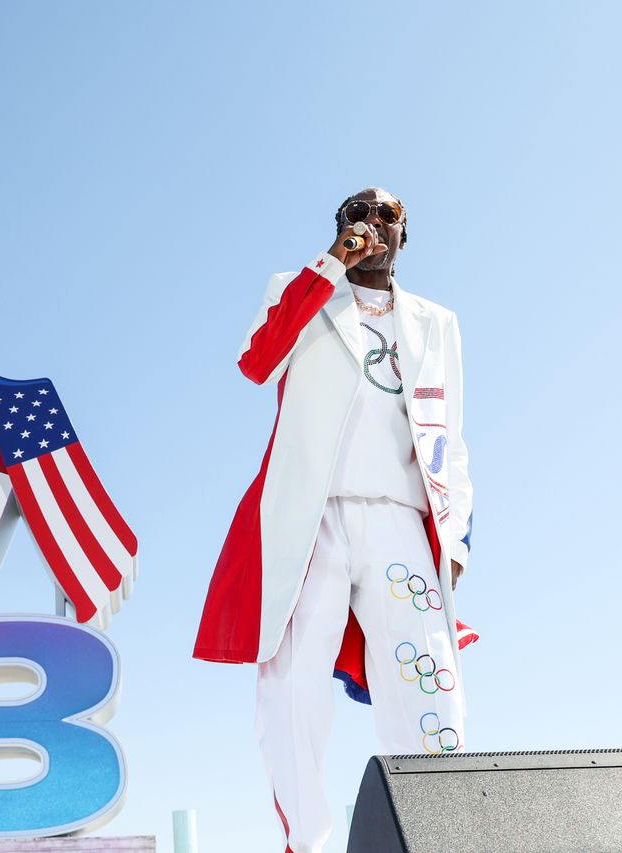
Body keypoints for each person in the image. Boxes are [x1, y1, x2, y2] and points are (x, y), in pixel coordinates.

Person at [192, 188, 474, 853]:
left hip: (401, 517)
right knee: (291, 685)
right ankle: (307, 842)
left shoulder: (436, 322)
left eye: (387, 215)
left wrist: (454, 534)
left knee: (426, 674)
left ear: (405, 233)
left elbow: (451, 437)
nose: (373, 224)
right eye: (358, 213)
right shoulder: (301, 289)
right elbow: (257, 362)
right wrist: (328, 267)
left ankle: (439, 831)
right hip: (309, 518)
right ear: (341, 228)